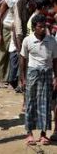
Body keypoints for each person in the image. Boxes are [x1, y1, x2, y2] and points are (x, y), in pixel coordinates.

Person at [21, 13, 57, 146]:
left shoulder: (51, 40)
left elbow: (55, 60)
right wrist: (23, 78)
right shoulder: (27, 40)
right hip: (32, 73)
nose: (43, 29)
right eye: (40, 27)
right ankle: (29, 133)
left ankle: (43, 134)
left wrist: (56, 77)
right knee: (30, 103)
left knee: (46, 104)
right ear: (34, 27)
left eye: (44, 26)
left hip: (47, 74)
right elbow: (22, 59)